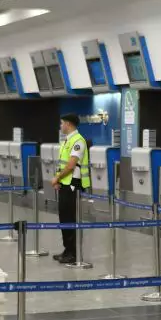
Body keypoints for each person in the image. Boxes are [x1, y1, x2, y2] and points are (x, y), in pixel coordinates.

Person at [52, 113, 90, 265]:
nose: (61, 126)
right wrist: (58, 179)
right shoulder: (67, 140)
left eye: (62, 123)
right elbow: (62, 164)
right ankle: (67, 250)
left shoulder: (78, 141)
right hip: (65, 185)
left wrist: (57, 178)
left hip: (73, 185)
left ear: (68, 124)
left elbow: (71, 165)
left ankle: (73, 253)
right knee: (64, 218)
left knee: (70, 218)